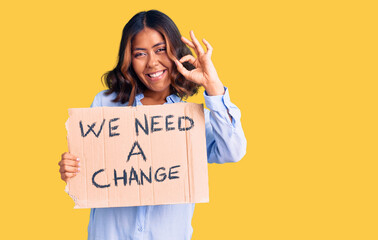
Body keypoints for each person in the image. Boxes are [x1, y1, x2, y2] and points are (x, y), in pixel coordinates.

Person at [58, 10, 246, 240]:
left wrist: (213, 85)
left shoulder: (191, 120)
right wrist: (71, 169)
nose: (152, 62)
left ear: (175, 51)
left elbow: (233, 151)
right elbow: (89, 171)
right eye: (140, 54)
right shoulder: (105, 104)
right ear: (129, 59)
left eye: (160, 50)